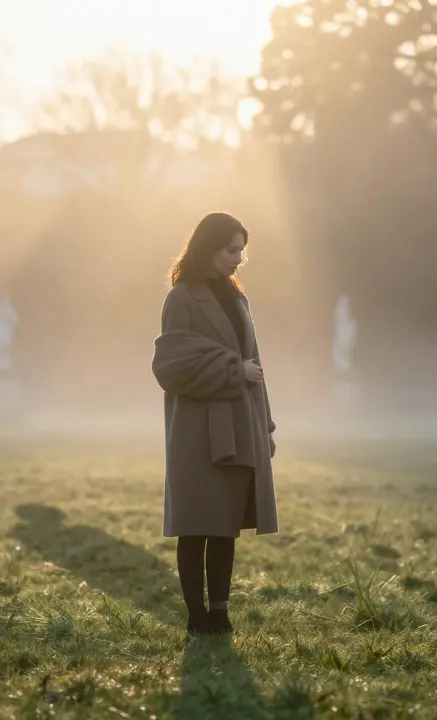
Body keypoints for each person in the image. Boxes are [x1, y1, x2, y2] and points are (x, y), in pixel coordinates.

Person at [151, 211, 279, 637]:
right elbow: (172, 365)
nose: (238, 259)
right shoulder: (181, 299)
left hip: (241, 424)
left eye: (242, 250)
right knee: (196, 525)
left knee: (224, 526)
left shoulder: (238, 297)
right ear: (208, 248)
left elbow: (254, 363)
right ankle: (195, 615)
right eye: (231, 250)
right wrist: (231, 372)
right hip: (195, 430)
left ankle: (220, 612)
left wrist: (267, 425)